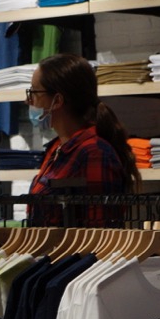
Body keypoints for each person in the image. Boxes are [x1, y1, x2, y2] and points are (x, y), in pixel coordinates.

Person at [26, 54, 140, 227]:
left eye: (34, 92)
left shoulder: (95, 153)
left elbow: (100, 233)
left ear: (57, 100)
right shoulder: (56, 148)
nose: (28, 100)